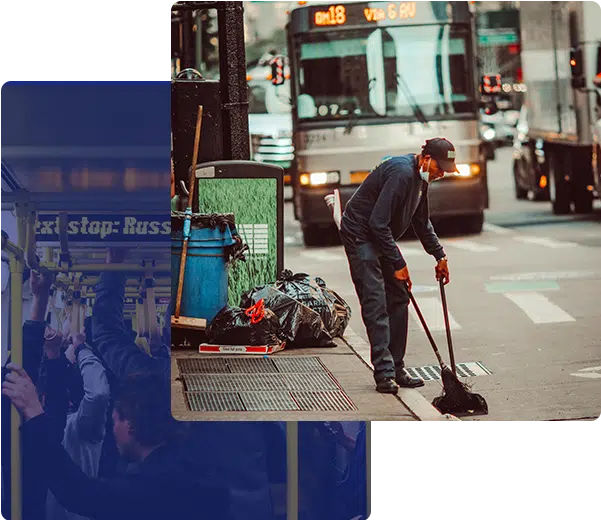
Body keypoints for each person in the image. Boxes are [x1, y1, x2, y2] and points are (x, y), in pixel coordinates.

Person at [2, 368, 228, 520]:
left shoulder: (151, 487)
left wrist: (33, 410)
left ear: (129, 423)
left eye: (115, 420)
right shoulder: (192, 466)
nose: (112, 430)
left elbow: (77, 492)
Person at [340, 137, 453, 394]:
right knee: (376, 301)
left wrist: (440, 256)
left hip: (380, 234)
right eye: (439, 168)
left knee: (399, 296)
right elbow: (377, 222)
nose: (441, 174)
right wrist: (398, 262)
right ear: (426, 159)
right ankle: (384, 374)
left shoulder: (422, 181)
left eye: (445, 171)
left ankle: (397, 367)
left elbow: (422, 223)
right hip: (361, 234)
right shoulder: (402, 173)